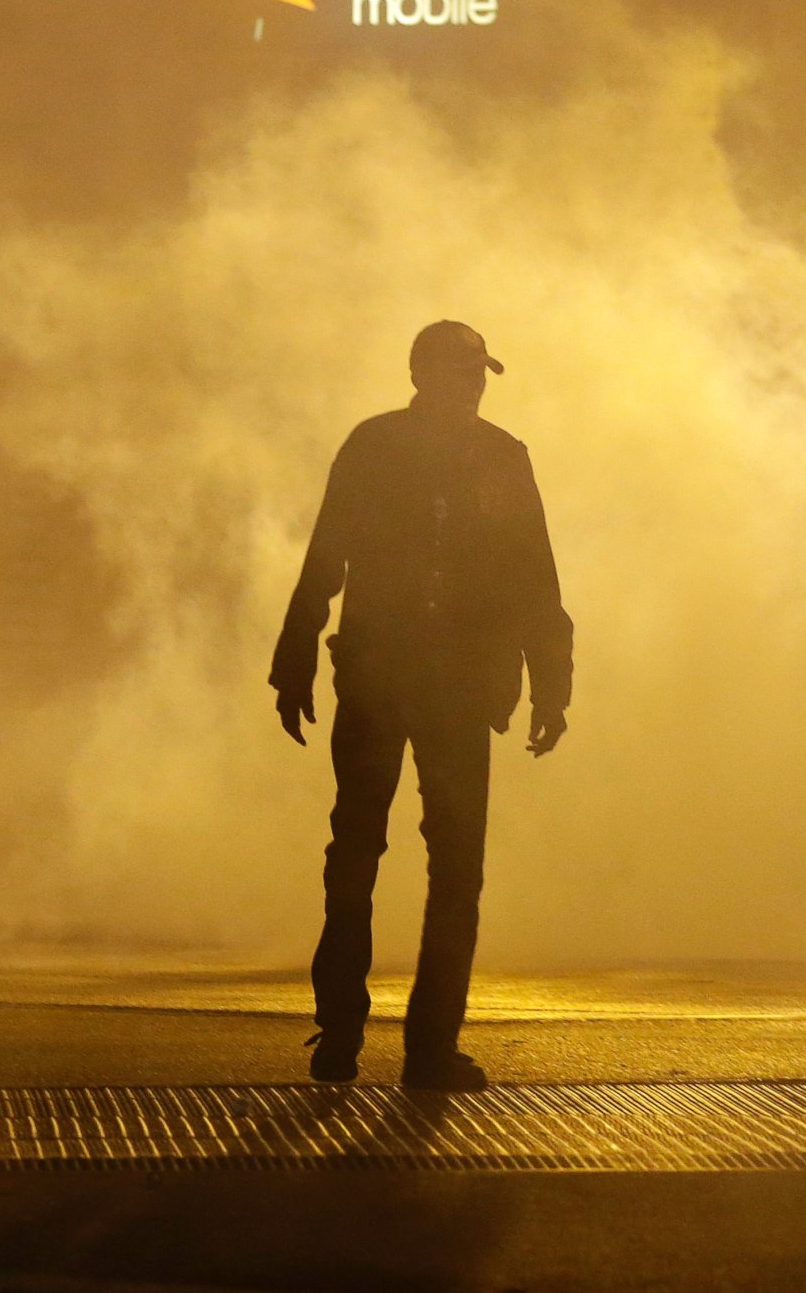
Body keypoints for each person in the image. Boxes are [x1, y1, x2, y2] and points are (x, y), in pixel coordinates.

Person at [271, 320, 573, 1091]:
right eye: (461, 374)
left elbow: (533, 575)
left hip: (452, 690)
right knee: (357, 856)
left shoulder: (497, 456)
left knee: (447, 869)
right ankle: (343, 1032)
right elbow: (326, 556)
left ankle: (426, 1047)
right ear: (422, 375)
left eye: (478, 377)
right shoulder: (377, 449)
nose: (472, 388)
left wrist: (552, 680)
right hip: (383, 681)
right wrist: (296, 655)